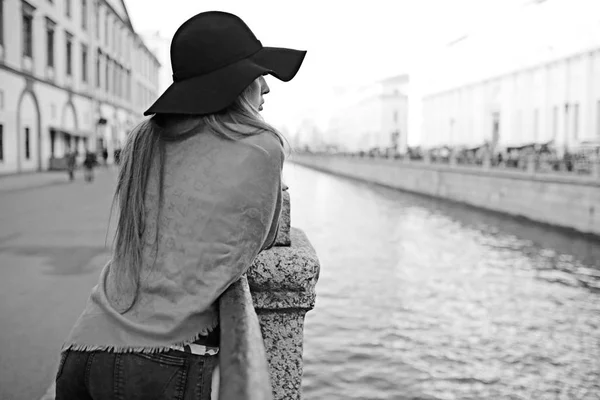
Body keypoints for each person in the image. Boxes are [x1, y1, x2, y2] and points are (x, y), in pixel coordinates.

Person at [55, 11, 306, 400]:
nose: (266, 88)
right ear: (236, 84)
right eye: (258, 75)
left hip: (82, 350)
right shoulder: (263, 147)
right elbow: (265, 235)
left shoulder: (145, 141)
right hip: (159, 363)